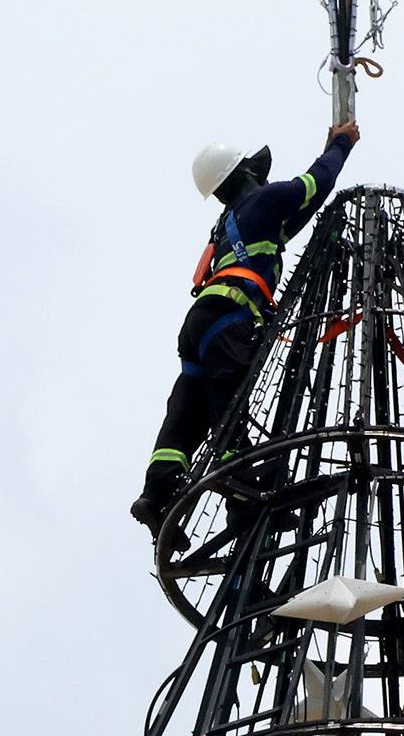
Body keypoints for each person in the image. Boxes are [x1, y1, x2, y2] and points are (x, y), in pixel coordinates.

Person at [132, 118, 361, 537]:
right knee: (229, 409)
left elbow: (299, 214)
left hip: (202, 322)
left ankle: (156, 495)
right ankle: (242, 498)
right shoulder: (263, 202)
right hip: (230, 320)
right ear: (242, 174)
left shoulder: (231, 223)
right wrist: (341, 144)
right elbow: (315, 185)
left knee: (188, 410)